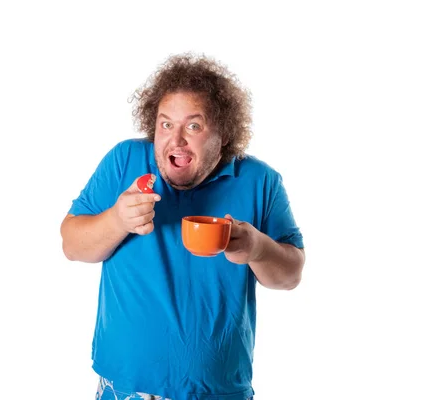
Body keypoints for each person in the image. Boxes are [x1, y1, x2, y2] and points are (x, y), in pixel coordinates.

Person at [60, 53, 305, 400]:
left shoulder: (261, 181)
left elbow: (291, 275)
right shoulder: (124, 161)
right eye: (165, 124)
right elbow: (71, 245)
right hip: (126, 389)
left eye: (193, 125)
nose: (175, 140)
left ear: (223, 132)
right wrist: (117, 219)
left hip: (221, 392)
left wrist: (257, 248)